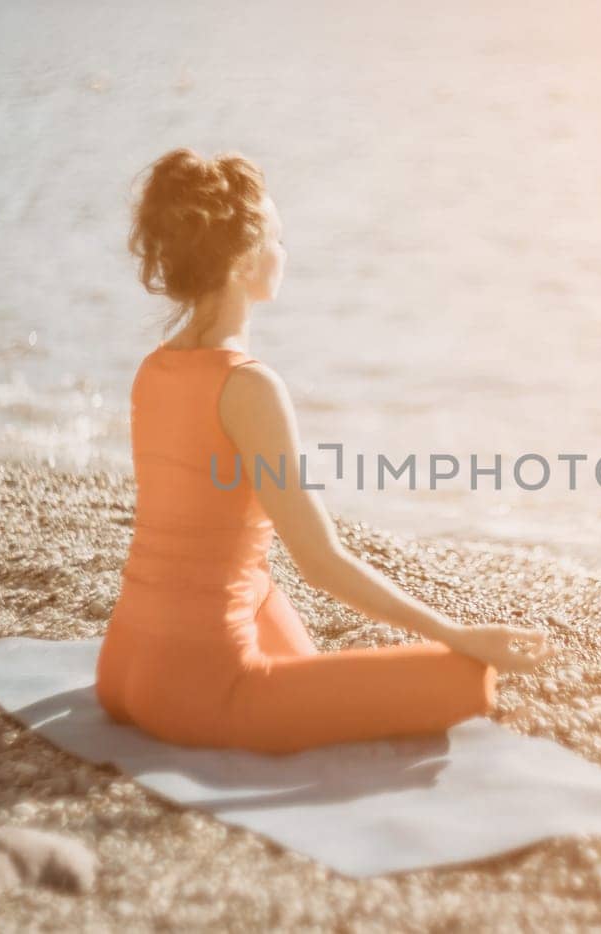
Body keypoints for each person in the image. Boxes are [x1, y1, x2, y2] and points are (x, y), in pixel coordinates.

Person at [94, 148, 555, 754]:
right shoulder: (250, 385)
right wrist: (459, 633)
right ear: (243, 261)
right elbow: (320, 561)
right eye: (277, 238)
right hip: (199, 693)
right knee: (466, 678)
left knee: (255, 583)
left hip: (122, 666)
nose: (284, 254)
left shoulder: (153, 370)